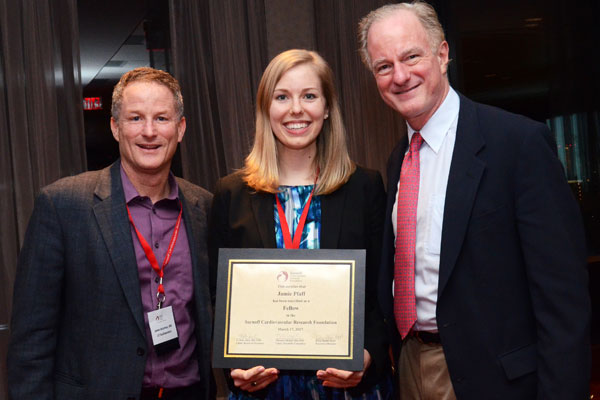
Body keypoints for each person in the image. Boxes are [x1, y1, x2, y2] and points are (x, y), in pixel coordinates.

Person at [357, 2, 591, 399]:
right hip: (411, 366)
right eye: (383, 66)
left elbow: (563, 301)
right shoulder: (399, 159)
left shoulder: (516, 144)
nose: (400, 76)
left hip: (496, 380)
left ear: (443, 54)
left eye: (411, 56)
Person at [7, 67, 215, 400]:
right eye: (135, 118)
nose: (149, 131)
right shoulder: (63, 205)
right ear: (116, 128)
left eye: (161, 118)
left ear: (181, 128)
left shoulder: (204, 206)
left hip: (187, 392)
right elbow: (32, 337)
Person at [208, 49, 392, 399]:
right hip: (265, 388)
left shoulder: (364, 187)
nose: (296, 109)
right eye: (282, 97)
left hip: (349, 387)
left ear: (326, 107)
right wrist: (235, 365)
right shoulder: (230, 194)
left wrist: (368, 355)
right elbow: (221, 297)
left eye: (309, 95)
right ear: (266, 109)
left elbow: (382, 292)